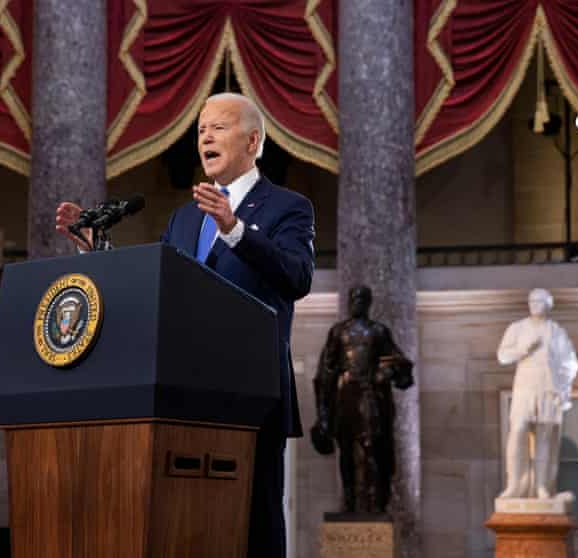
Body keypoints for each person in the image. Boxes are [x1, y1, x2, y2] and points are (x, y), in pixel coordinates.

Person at [55, 92, 315, 557]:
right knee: (188, 523)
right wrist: (97, 250)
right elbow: (157, 285)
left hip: (252, 393)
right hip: (184, 394)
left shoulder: (288, 207)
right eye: (200, 130)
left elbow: (297, 276)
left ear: (252, 141)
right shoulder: (183, 218)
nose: (206, 137)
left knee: (255, 524)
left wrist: (235, 230)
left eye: (219, 127)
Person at [311, 285, 413, 513]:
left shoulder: (378, 331)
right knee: (346, 450)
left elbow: (399, 363)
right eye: (354, 298)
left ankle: (375, 503)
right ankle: (349, 502)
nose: (357, 302)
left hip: (369, 396)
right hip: (345, 396)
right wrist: (323, 415)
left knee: (373, 449)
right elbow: (326, 372)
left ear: (368, 302)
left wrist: (388, 372)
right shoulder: (338, 332)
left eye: (361, 298)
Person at [497, 288, 578, 500]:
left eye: (540, 301)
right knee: (517, 431)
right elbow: (503, 356)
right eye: (532, 301)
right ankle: (514, 485)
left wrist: (563, 387)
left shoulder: (556, 330)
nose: (535, 304)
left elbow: (571, 362)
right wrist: (523, 349)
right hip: (525, 385)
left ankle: (542, 486)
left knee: (544, 437)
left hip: (548, 386)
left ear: (548, 304)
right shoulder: (517, 328)